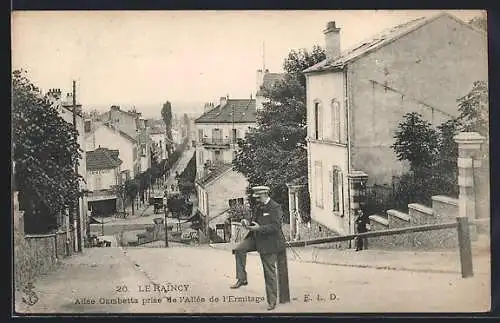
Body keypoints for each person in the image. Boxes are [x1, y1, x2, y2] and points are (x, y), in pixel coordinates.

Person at [230, 186, 286, 311]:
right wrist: (246, 222)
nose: (257, 200)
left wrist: (259, 229)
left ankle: (272, 301)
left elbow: (275, 227)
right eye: (256, 197)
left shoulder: (275, 207)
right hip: (256, 238)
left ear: (266, 194)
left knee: (269, 272)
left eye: (259, 197)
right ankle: (242, 278)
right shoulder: (259, 207)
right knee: (239, 249)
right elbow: (254, 221)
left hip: (269, 242)